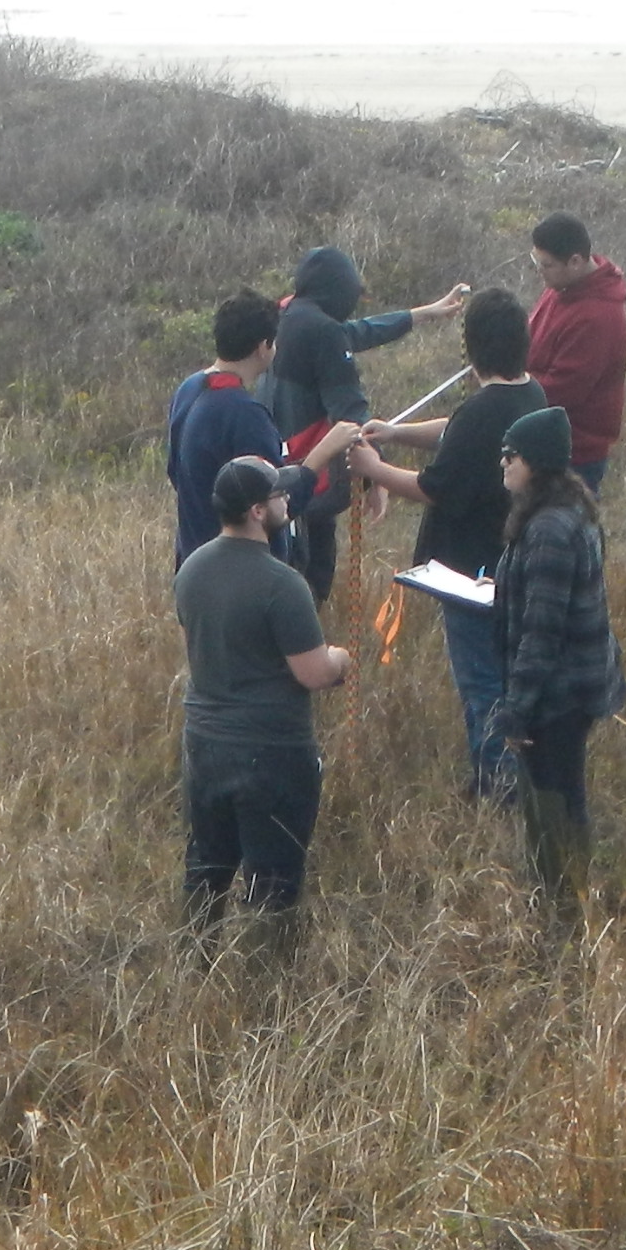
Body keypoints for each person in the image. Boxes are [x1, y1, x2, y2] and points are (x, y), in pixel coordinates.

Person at [359, 286, 539, 800]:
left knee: (482, 685)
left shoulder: (485, 411)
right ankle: (505, 778)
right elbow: (458, 429)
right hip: (508, 566)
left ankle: (496, 788)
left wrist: (375, 468)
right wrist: (394, 433)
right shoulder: (528, 395)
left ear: (471, 349)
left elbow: (433, 487)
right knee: (502, 679)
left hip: (470, 576)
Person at [173, 445, 358, 928]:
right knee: (273, 885)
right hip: (271, 752)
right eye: (279, 494)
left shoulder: (191, 570)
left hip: (204, 745)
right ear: (258, 511)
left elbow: (201, 647)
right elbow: (313, 674)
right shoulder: (283, 584)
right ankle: (266, 988)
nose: (287, 501)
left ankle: (196, 967)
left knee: (206, 871)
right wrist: (342, 659)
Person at [263, 245, 466, 599]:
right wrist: (375, 476)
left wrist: (424, 313)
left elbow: (357, 332)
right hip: (309, 471)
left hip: (270, 463)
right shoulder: (324, 332)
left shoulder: (288, 314)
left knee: (280, 563)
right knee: (310, 574)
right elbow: (351, 413)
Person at [490, 405, 625, 918]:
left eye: (512, 455)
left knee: (552, 802)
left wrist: (517, 712)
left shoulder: (547, 530)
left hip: (557, 696)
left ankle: (561, 907)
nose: (503, 463)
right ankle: (568, 893)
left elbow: (541, 633)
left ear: (536, 463)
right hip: (576, 685)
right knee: (564, 794)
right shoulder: (569, 512)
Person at [166, 293, 287, 571]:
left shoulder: (189, 388)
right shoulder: (246, 415)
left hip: (193, 560)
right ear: (263, 347)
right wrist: (321, 458)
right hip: (244, 572)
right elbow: (271, 507)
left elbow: (175, 470)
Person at [521, 214, 626, 495]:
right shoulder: (561, 287)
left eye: (546, 265)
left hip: (572, 456)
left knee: (557, 533)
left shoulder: (599, 317)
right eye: (537, 263)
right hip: (536, 439)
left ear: (575, 261)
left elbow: (563, 390)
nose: (540, 272)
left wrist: (508, 383)